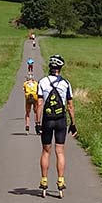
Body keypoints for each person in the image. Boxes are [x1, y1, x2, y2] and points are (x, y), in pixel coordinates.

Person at [36, 54, 77, 193]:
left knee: (46, 151)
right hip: (61, 120)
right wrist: (73, 124)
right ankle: (60, 180)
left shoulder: (42, 82)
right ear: (60, 68)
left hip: (47, 120)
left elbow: (39, 104)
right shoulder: (66, 83)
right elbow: (70, 106)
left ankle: (44, 180)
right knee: (60, 151)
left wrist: (37, 122)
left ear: (50, 67)